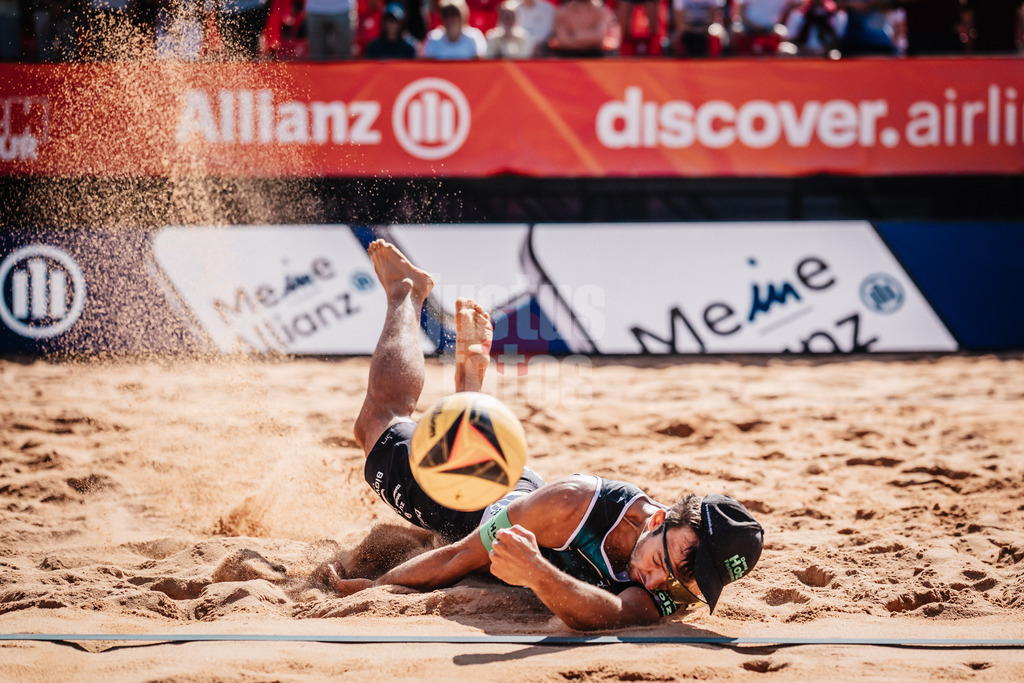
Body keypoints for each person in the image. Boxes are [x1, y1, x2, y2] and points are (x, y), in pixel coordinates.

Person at [327, 239, 764, 631]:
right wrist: (378, 587)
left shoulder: (677, 571)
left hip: (523, 502)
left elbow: (616, 616)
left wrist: (538, 571)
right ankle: (406, 291)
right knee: (377, 423)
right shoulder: (575, 503)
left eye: (687, 580)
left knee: (504, 504)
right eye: (662, 564)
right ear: (659, 518)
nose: (657, 581)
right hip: (481, 515)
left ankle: (470, 401)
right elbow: (459, 557)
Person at [547, 0, 617, 56]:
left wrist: (574, 35)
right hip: (568, 58)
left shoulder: (601, 11)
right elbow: (564, 41)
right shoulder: (561, 13)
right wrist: (590, 35)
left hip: (595, 57)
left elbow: (598, 38)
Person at [421, 0, 486, 57]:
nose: (450, 18)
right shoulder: (433, 38)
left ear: (462, 16)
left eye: (454, 14)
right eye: (446, 14)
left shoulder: (474, 37)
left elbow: (480, 62)